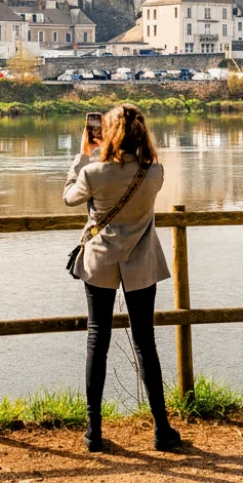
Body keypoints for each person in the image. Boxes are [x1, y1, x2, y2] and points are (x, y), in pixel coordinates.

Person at [63, 103, 181, 453]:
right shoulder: (154, 173)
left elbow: (69, 198)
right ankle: (161, 428)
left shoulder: (93, 173)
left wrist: (84, 155)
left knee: (97, 339)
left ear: (108, 133)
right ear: (142, 134)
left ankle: (93, 431)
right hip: (141, 262)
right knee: (146, 342)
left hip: (100, 260)